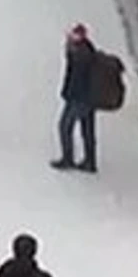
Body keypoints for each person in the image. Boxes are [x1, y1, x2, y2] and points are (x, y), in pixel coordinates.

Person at [51, 24, 99, 173]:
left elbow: (74, 79)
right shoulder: (87, 50)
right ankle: (90, 161)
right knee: (88, 130)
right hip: (90, 98)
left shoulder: (79, 55)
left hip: (79, 99)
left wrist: (68, 95)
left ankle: (68, 158)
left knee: (64, 126)